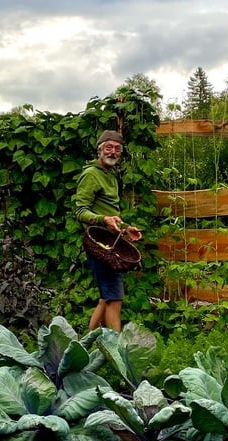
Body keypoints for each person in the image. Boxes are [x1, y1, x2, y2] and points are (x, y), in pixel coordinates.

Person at [75, 129, 142, 332]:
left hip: (111, 245)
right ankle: (117, 353)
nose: (113, 152)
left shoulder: (109, 176)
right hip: (100, 246)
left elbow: (109, 213)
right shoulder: (91, 175)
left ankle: (86, 344)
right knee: (115, 299)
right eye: (108, 147)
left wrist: (124, 228)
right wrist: (103, 220)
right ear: (100, 150)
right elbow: (80, 211)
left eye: (117, 149)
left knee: (106, 298)